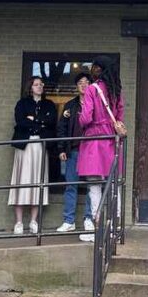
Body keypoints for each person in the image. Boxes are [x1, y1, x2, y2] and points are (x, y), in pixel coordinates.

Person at [77, 56, 125, 242]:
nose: (92, 70)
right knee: (114, 186)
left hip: (94, 141)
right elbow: (119, 116)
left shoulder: (92, 89)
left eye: (93, 67)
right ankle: (115, 229)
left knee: (95, 186)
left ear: (99, 69)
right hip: (112, 141)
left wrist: (81, 116)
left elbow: (86, 118)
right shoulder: (116, 90)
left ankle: (96, 231)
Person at [9, 76, 57, 234]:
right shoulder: (22, 103)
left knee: (37, 180)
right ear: (30, 87)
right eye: (36, 84)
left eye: (41, 84)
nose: (40, 86)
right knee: (21, 180)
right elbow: (20, 121)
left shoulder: (49, 104)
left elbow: (51, 122)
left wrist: (34, 119)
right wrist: (40, 123)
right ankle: (18, 222)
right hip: (24, 145)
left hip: (40, 145)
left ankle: (33, 221)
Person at [56, 72, 94, 233]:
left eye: (86, 82)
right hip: (73, 150)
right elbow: (62, 128)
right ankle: (69, 221)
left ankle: (89, 218)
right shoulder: (70, 105)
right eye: (80, 82)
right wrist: (61, 148)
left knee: (92, 187)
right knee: (71, 185)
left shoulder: (97, 104)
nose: (84, 85)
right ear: (76, 86)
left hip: (91, 152)